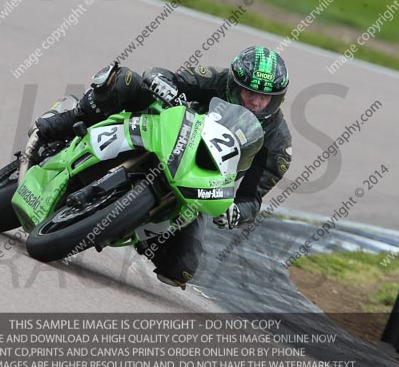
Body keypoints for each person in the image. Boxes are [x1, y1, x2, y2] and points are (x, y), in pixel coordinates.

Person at [35, 46, 293, 289]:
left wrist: (236, 213)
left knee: (180, 270)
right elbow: (165, 76)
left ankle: (140, 225)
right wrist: (163, 85)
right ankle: (63, 122)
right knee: (126, 81)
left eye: (264, 97)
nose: (255, 102)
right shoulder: (217, 79)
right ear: (233, 85)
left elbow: (251, 199)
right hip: (168, 134)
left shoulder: (278, 144)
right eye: (249, 93)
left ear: (277, 99)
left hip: (198, 181)